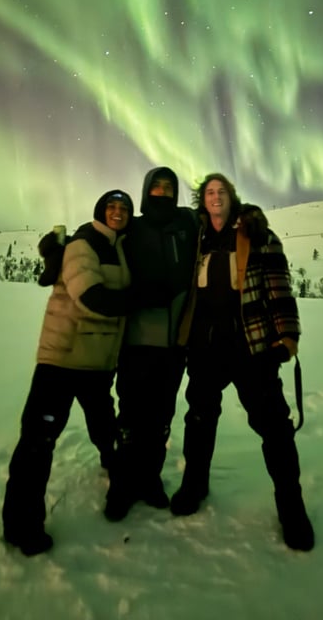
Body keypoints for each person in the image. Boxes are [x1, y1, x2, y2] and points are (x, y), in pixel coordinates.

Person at [103, 167, 269, 522]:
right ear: (146, 190)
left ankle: (149, 479)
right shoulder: (133, 227)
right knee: (130, 416)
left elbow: (222, 212)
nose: (163, 192)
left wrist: (251, 214)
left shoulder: (187, 222)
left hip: (176, 343)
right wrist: (62, 247)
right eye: (157, 187)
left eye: (169, 187)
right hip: (136, 341)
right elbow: (100, 236)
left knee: (161, 417)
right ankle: (122, 485)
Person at [170, 173, 314, 552]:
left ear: (231, 197)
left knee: (274, 426)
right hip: (205, 347)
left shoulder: (256, 234)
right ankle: (194, 484)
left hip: (251, 346)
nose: (216, 197)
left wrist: (287, 336)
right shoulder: (195, 237)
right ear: (203, 200)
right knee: (199, 418)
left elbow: (278, 286)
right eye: (210, 192)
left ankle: (292, 507)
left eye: (222, 191)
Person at [2, 190, 134, 556]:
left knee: (105, 429)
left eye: (124, 208)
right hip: (61, 362)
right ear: (99, 211)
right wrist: (140, 298)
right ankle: (21, 525)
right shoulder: (83, 244)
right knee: (37, 442)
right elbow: (90, 297)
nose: (118, 212)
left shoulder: (121, 246)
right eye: (111, 206)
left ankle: (117, 477)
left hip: (97, 364)